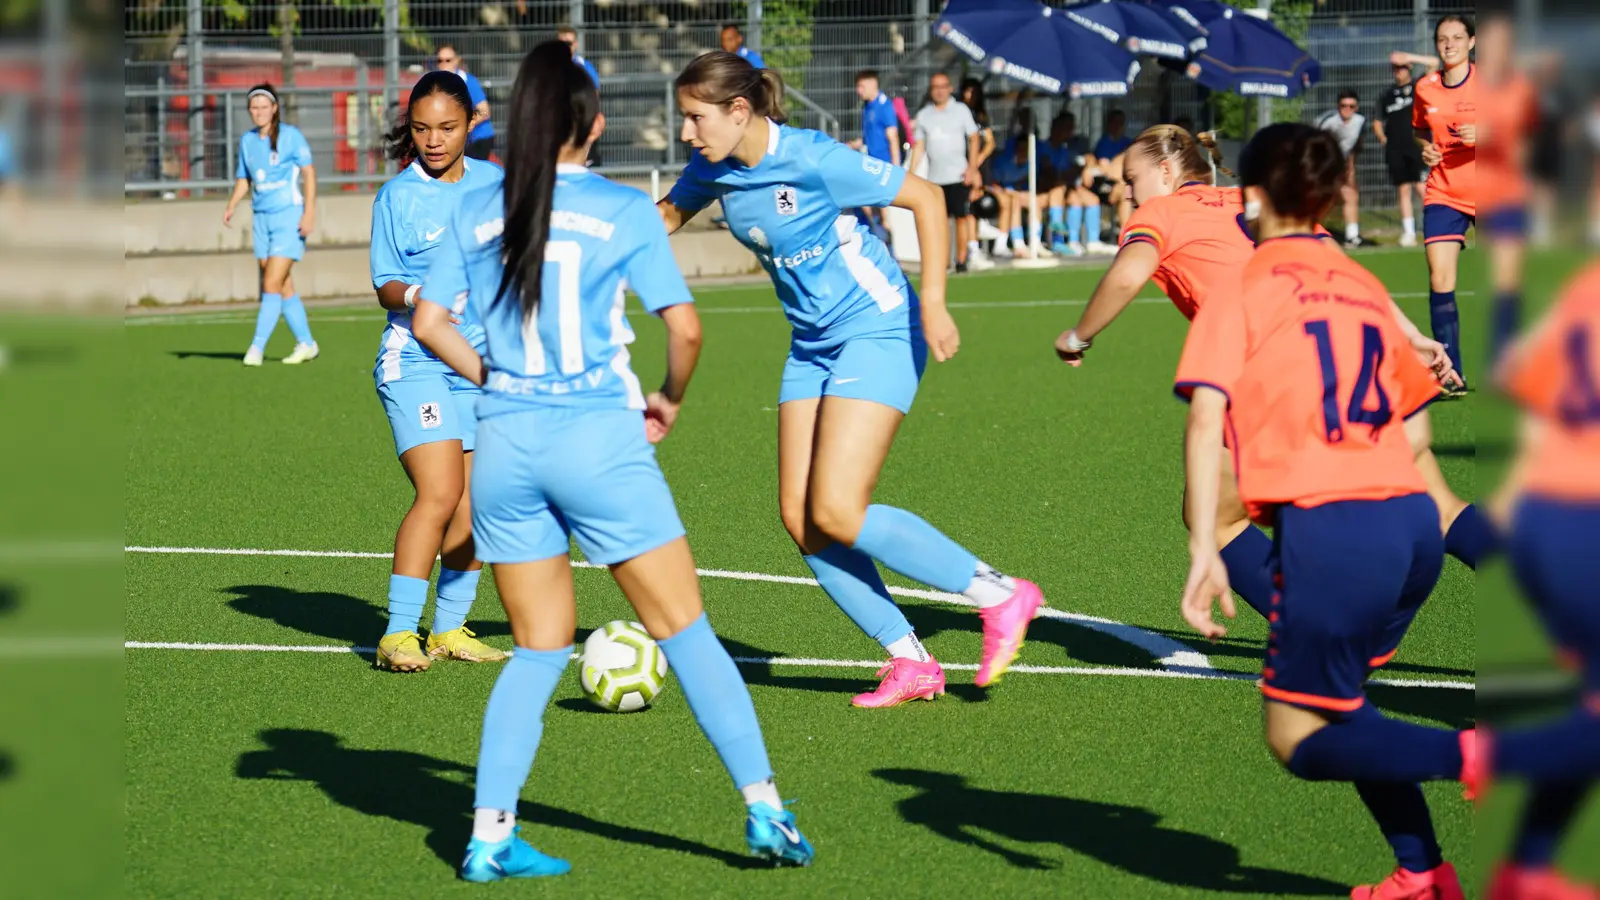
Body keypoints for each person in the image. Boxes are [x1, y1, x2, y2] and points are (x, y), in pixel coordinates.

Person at [410, 41, 814, 878]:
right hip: (596, 438)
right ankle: (766, 812)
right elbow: (685, 328)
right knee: (687, 633)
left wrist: (494, 379)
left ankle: (489, 837)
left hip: (506, 446)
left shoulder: (478, 207)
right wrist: (668, 398)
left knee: (538, 650)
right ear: (592, 125)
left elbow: (428, 322)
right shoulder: (623, 209)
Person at [658, 51, 1046, 707]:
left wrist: (933, 301)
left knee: (837, 508)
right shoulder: (711, 168)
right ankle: (911, 661)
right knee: (800, 517)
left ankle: (1000, 594)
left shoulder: (811, 157)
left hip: (878, 326)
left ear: (739, 110)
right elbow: (665, 216)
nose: (686, 133)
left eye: (696, 118)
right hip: (811, 345)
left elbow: (925, 197)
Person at [1175, 122, 1472, 900]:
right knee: (1343, 705)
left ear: (1248, 198)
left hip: (1338, 532)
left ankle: (1483, 757)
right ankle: (1422, 873)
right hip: (1412, 526)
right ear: (1332, 197)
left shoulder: (1244, 284)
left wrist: (1204, 550)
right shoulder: (1358, 282)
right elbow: (1418, 429)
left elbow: (1206, 421)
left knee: (1297, 736)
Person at [1053, 125, 1495, 628]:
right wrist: (1410, 334)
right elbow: (1334, 263)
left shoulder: (1160, 213)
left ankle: (1316, 630)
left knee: (1215, 521)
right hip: (1354, 347)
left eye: (1132, 179)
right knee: (1440, 508)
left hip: (1276, 369)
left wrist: (1077, 337)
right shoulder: (1251, 198)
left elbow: (1128, 275)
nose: (1128, 193)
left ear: (1167, 171)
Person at [367, 71, 509, 673]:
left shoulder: (497, 184)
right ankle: (398, 632)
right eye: (422, 129)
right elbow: (384, 285)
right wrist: (419, 293)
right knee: (441, 492)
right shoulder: (397, 197)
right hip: (417, 363)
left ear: (472, 123)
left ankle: (450, 626)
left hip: (475, 367)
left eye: (447, 128)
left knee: (477, 504)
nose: (433, 140)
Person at [1479, 263, 1600, 900]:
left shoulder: (1587, 288)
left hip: (1549, 522)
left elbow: (1522, 372)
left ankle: (1527, 868)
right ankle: (1482, 758)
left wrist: (1513, 499)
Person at [222, 83, 319, 366]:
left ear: (274, 108)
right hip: (261, 219)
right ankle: (307, 343)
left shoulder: (291, 136)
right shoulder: (247, 141)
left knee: (271, 283)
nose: (259, 112)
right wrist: (232, 205)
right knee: (282, 284)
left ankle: (256, 347)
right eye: (254, 107)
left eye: (264, 106)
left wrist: (309, 212)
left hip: (288, 217)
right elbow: (244, 179)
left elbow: (309, 173)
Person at [1413, 15, 1476, 397]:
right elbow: (1420, 129)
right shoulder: (1425, 87)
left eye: (1457, 38)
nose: (1449, 44)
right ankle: (1452, 373)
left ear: (1472, 42)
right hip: (1443, 191)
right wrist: (1426, 149)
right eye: (1442, 39)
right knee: (1440, 279)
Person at [1475, 14, 1539, 369]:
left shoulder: (1522, 88)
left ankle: (1503, 355)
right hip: (1468, 194)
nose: (1500, 49)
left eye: (1506, 43)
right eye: (1494, 41)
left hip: (1507, 193)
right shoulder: (1466, 87)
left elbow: (1526, 136)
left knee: (1507, 278)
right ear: (1482, 44)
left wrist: (1522, 172)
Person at [908, 72, 982, 273]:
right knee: (940, 221)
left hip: (958, 175)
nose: (939, 91)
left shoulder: (960, 110)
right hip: (936, 178)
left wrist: (972, 168)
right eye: (935, 87)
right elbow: (919, 146)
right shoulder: (924, 115)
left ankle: (961, 260)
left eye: (943, 87)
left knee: (961, 217)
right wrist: (911, 173)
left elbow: (974, 138)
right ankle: (943, 261)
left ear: (950, 88)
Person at [1377, 53, 1437, 248]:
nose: (1398, 71)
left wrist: (1409, 57)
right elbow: (1377, 121)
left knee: (1422, 187)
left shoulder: (1418, 86)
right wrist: (1384, 139)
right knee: (1403, 190)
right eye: (1395, 68)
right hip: (1396, 149)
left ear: (1409, 68)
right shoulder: (1387, 95)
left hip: (1416, 147)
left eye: (1402, 67)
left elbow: (1434, 63)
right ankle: (1409, 233)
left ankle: (1436, 225)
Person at [990, 108, 1056, 259]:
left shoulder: (1031, 162)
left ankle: (1035, 242)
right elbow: (994, 182)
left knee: (1034, 201)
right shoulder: (1003, 162)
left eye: (1026, 148)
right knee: (1014, 200)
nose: (1023, 151)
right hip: (1003, 193)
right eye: (1020, 148)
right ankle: (1018, 244)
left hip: (1021, 193)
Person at [850, 69, 900, 245]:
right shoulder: (867, 107)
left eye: (861, 86)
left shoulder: (884, 106)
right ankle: (881, 239)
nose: (859, 91)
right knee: (869, 206)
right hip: (870, 166)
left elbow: (893, 137)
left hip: (883, 167)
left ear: (873, 84)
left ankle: (888, 246)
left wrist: (895, 169)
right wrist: (851, 145)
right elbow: (868, 138)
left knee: (880, 211)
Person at [1318, 89, 1367, 247]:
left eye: (1351, 106)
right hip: (1324, 163)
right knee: (1324, 199)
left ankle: (1352, 236)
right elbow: (1317, 147)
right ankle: (1312, 232)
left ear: (1357, 107)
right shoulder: (1328, 122)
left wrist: (1350, 169)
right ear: (1338, 106)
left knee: (1350, 194)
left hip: (1343, 162)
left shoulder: (1360, 122)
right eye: (1343, 106)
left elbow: (1355, 148)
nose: (1347, 109)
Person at [1043, 112, 1095, 256]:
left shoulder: (1066, 148)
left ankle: (1074, 241)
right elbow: (1047, 172)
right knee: (1058, 190)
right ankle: (1057, 241)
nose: (1069, 131)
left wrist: (1086, 169)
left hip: (1066, 187)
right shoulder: (1045, 147)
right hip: (1046, 188)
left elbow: (1082, 161)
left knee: (1081, 199)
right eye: (1065, 128)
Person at [958, 77, 997, 267]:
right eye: (969, 91)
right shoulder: (958, 112)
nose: (971, 96)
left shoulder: (981, 115)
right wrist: (972, 167)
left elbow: (990, 142)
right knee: (968, 208)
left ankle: (975, 246)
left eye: (975, 92)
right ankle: (971, 250)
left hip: (978, 166)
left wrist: (977, 161)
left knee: (975, 206)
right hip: (963, 166)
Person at [434, 44, 496, 161]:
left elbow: (484, 112)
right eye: (440, 60)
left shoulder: (468, 81)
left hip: (478, 138)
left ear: (457, 60)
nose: (443, 64)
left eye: (448, 60)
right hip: (457, 139)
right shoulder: (436, 84)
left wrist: (462, 126)